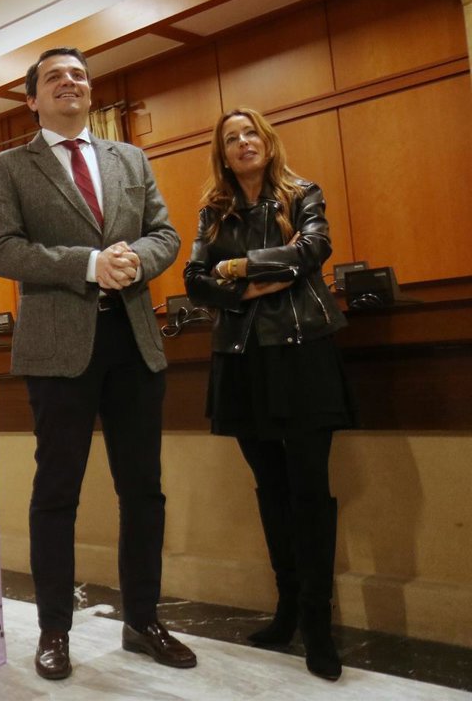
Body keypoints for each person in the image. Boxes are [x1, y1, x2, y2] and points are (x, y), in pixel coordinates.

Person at [0, 47, 194, 680]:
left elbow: (165, 234)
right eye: (54, 77)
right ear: (32, 99)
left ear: (90, 91)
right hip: (57, 349)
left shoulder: (130, 158)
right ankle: (54, 629)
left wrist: (133, 261)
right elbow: (3, 249)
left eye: (78, 74)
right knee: (57, 492)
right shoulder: (11, 166)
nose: (69, 82)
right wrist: (88, 264)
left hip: (133, 342)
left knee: (143, 490)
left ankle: (143, 621)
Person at [183, 108, 355, 681]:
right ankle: (287, 609)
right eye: (230, 138)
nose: (242, 142)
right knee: (271, 489)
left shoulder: (302, 194)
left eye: (249, 132)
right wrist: (248, 287)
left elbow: (313, 251)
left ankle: (318, 623)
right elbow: (194, 282)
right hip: (242, 359)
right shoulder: (213, 211)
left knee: (309, 489)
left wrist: (236, 267)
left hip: (303, 353)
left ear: (266, 140)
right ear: (223, 153)